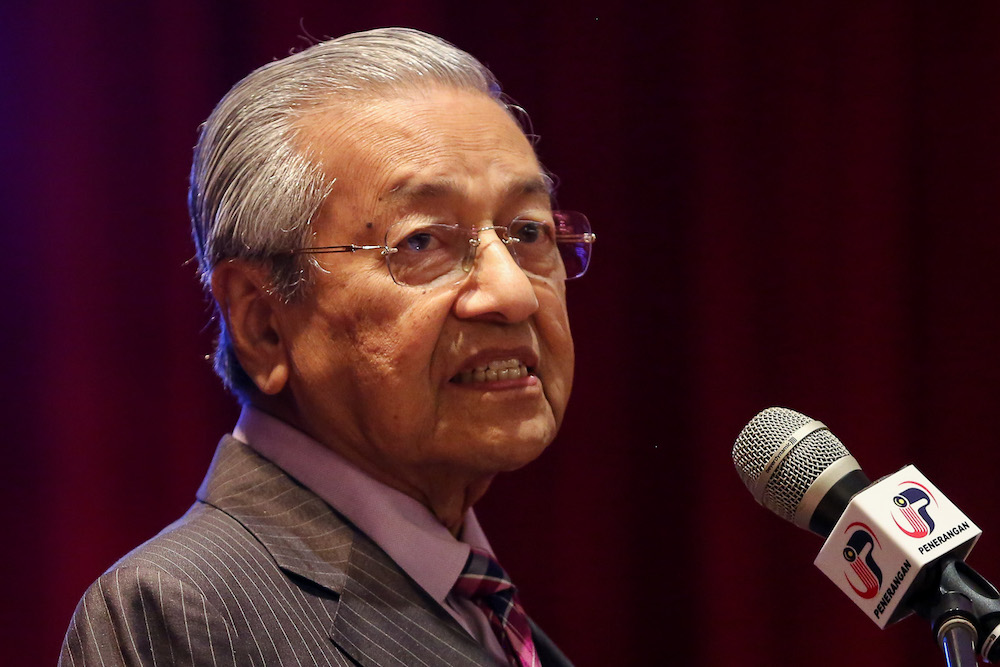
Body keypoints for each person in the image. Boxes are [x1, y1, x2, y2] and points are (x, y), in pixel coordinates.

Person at [59, 26, 594, 667]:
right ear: (262, 324)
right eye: (422, 242)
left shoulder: (481, 610)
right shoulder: (187, 613)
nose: (513, 294)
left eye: (529, 230)